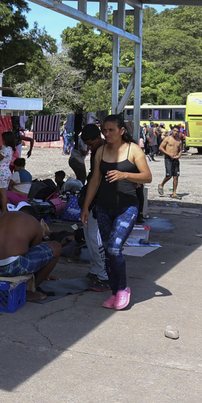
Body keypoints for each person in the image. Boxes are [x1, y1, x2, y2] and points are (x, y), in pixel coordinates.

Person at [81, 115, 152, 310]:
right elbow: (95, 180)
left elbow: (147, 177)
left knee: (114, 248)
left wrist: (125, 174)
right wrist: (86, 207)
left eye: (111, 130)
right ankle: (114, 292)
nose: (107, 133)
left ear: (121, 131)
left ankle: (122, 289)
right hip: (103, 207)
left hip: (127, 207)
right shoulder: (100, 151)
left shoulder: (133, 150)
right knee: (108, 251)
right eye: (104, 130)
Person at [0, 205, 61, 302]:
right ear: (34, 217)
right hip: (13, 266)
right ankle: (30, 290)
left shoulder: (1, 216)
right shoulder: (33, 222)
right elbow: (33, 250)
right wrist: (45, 233)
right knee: (56, 247)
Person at [79, 123, 109, 292]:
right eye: (88, 145)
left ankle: (104, 275)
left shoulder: (106, 151)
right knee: (89, 237)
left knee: (96, 239)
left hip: (101, 202)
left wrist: (91, 201)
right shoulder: (96, 151)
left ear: (99, 138)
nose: (90, 148)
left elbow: (99, 181)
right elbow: (93, 178)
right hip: (92, 201)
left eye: (91, 143)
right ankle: (96, 270)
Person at [158, 127, 183, 198]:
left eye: (177, 131)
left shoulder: (179, 141)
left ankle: (174, 193)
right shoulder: (167, 139)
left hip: (176, 159)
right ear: (172, 131)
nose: (176, 132)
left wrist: (179, 155)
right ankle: (161, 184)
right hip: (168, 158)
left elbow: (181, 150)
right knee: (169, 175)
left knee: (176, 176)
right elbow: (160, 147)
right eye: (174, 131)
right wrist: (168, 154)